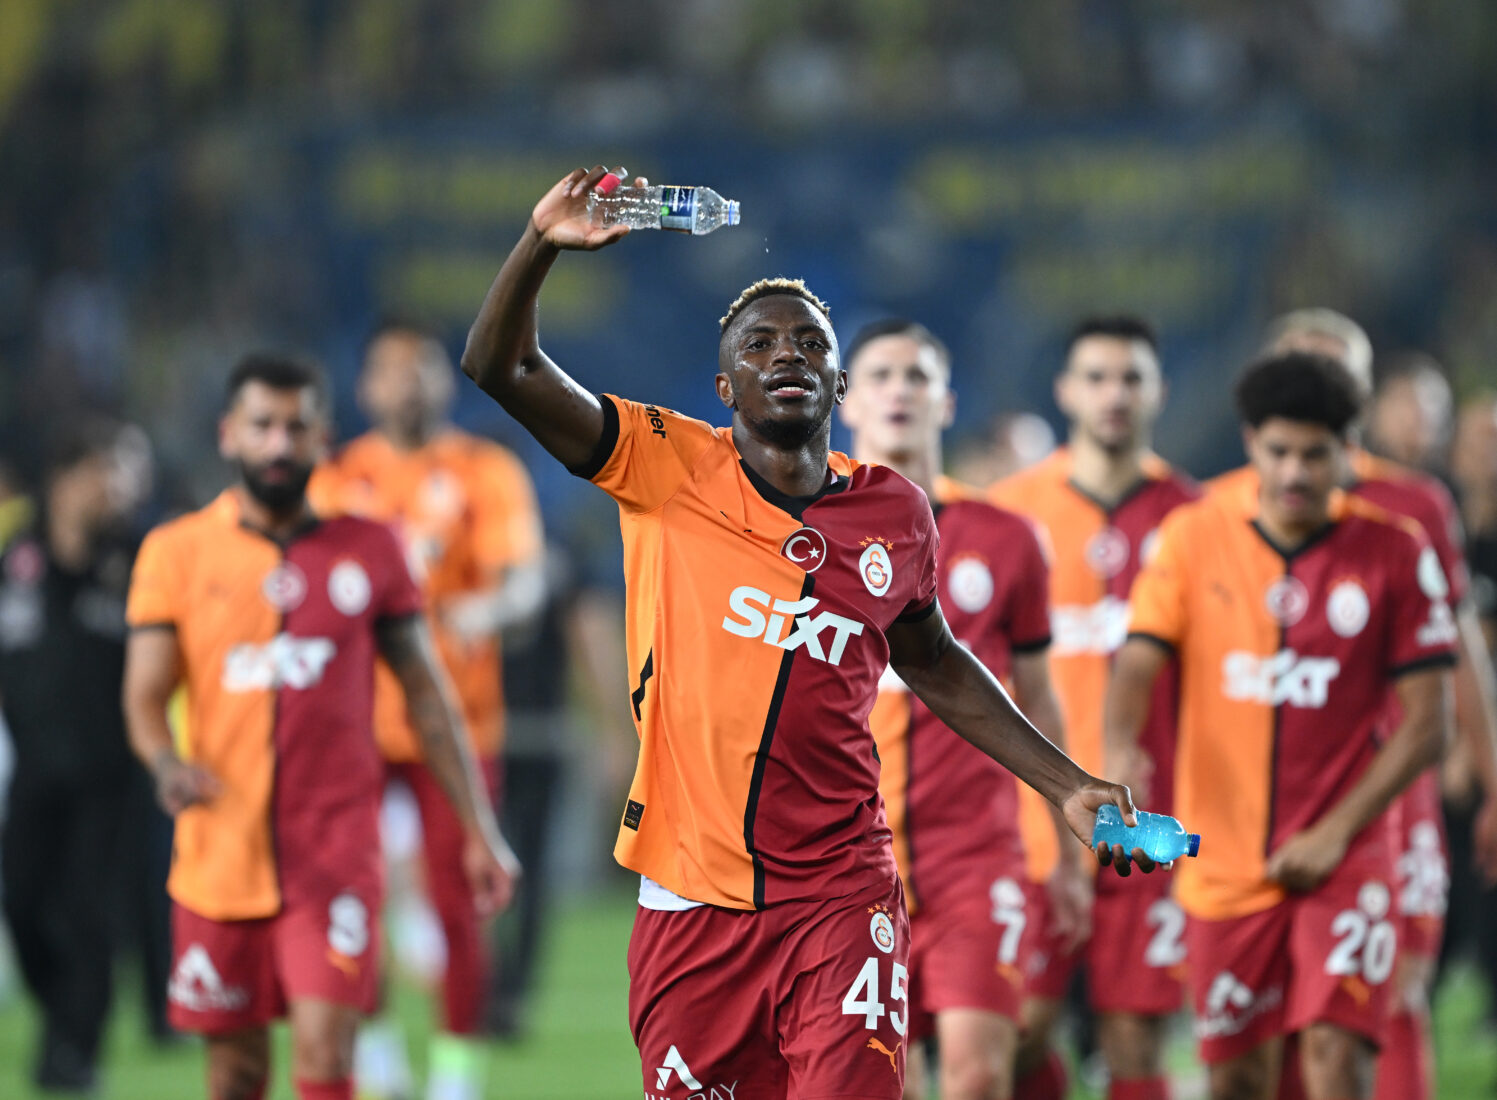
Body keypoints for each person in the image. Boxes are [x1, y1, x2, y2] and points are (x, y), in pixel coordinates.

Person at [458, 164, 1155, 1098]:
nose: (784, 353)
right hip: (691, 893)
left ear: (835, 379)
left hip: (841, 888)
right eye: (757, 343)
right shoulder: (662, 463)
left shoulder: (895, 511)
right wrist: (540, 243)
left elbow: (933, 658)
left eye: (808, 342)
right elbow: (499, 367)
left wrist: (1066, 787)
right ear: (723, 383)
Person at [122, 354, 518, 1100]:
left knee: (325, 1050)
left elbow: (429, 700)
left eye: (296, 428)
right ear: (227, 435)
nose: (279, 444)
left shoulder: (371, 549)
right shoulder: (175, 554)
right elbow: (145, 696)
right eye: (262, 426)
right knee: (235, 1071)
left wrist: (478, 827)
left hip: (333, 858)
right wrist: (164, 764)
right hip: (218, 858)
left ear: (322, 439)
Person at [1107, 352, 1457, 1100]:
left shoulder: (1395, 549)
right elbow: (1136, 664)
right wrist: (1118, 747)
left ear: (1347, 450)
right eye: (1277, 451)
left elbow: (1428, 723)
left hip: (1348, 857)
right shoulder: (1192, 537)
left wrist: (1338, 831)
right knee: (1236, 1080)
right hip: (1223, 867)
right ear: (1249, 442)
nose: (1294, 472)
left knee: (1337, 1059)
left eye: (1314, 453)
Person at [1212, 313, 1497, 1100]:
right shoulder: (1219, 511)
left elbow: (1456, 649)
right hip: (1254, 808)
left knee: (1391, 988)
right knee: (1270, 1021)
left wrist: (1491, 774)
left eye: (1335, 371)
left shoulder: (1412, 505)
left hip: (1384, 796)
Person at [839, 319, 1080, 1100]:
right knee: (884, 1083)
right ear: (846, 401)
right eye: (880, 375)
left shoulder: (1007, 538)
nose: (899, 390)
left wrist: (1068, 856)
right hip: (844, 864)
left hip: (976, 857)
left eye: (917, 375)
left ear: (946, 402)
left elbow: (1038, 699)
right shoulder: (806, 535)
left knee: (978, 1076)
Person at [309, 323, 545, 1100]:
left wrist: (492, 610)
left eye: (421, 371)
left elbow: (524, 579)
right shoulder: (335, 479)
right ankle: (375, 1050)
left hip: (459, 723)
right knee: (350, 899)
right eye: (389, 372)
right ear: (366, 387)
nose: (406, 385)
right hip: (353, 730)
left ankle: (455, 1078)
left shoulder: (485, 471)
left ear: (446, 383)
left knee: (460, 903)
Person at [987, 316, 1198, 1100]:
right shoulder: (1008, 515)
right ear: (1065, 391)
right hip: (1030, 816)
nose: (1114, 394)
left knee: (1134, 1036)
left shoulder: (1197, 518)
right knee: (1018, 1030)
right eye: (1098, 377)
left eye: (1131, 377)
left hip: (1152, 817)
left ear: (1157, 393)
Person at [0, 419, 151, 1093]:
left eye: (119, 476)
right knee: (24, 903)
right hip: (32, 768)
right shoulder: (13, 557)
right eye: (101, 474)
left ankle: (74, 1052)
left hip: (111, 772)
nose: (114, 490)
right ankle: (60, 1011)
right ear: (64, 483)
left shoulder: (139, 560)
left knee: (88, 913)